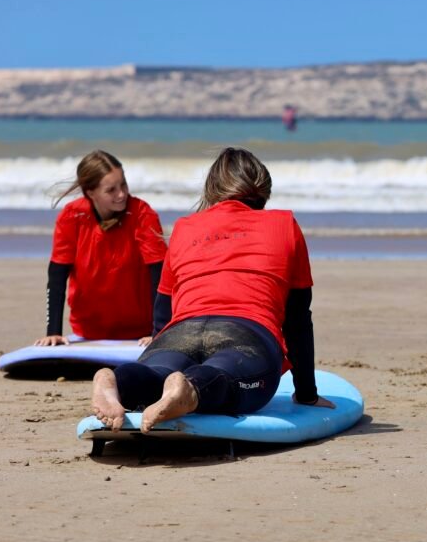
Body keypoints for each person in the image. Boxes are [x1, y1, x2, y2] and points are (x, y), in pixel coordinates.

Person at [90, 147, 333, 433]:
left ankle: (119, 382)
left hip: (180, 331)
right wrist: (306, 394)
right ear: (263, 189)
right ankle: (188, 391)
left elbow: (162, 314)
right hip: (246, 332)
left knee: (155, 377)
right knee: (223, 376)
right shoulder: (284, 225)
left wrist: (158, 353)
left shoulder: (185, 227)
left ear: (213, 188)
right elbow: (297, 320)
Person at [36, 150, 167, 347]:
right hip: (88, 331)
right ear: (90, 192)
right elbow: (57, 275)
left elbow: (160, 275)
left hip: (139, 332)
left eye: (123, 184)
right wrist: (53, 331)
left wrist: (158, 331)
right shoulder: (72, 216)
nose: (121, 194)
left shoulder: (142, 214)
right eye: (111, 189)